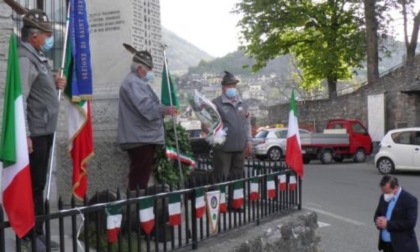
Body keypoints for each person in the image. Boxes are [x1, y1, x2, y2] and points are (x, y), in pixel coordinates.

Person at [19, 9, 66, 251]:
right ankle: (30, 234)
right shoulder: (25, 58)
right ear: (34, 36)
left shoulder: (37, 56)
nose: (49, 40)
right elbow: (23, 98)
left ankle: (38, 231)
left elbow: (40, 89)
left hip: (44, 130)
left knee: (39, 185)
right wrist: (26, 134)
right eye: (46, 36)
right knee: (35, 185)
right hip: (35, 132)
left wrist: (55, 84)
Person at [118, 49, 177, 191]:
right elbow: (146, 108)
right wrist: (164, 110)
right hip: (140, 137)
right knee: (139, 177)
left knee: (141, 174)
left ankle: (138, 205)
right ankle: (136, 207)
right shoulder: (134, 83)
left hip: (142, 136)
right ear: (140, 69)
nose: (151, 72)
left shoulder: (138, 83)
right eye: (149, 69)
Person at [211, 71, 252, 181]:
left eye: (234, 85)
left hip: (239, 149)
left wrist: (249, 141)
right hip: (223, 150)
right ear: (223, 88)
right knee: (221, 179)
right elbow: (209, 124)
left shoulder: (243, 104)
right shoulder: (215, 103)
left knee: (238, 180)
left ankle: (236, 198)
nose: (232, 88)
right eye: (229, 86)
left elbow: (247, 123)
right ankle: (222, 198)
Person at [374, 175, 419, 252]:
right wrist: (378, 220)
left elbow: (410, 223)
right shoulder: (383, 196)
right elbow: (377, 214)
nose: (385, 195)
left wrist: (387, 224)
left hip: (402, 247)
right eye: (383, 191)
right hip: (386, 245)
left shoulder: (410, 200)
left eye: (387, 192)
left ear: (396, 188)